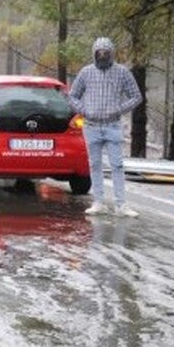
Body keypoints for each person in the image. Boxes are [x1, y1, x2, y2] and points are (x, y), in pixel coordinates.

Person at [68, 37, 143, 217]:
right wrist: (84, 111)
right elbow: (72, 96)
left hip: (113, 125)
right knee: (94, 165)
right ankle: (98, 202)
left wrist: (119, 109)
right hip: (91, 126)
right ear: (94, 53)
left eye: (105, 53)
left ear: (111, 53)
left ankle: (121, 205)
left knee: (117, 165)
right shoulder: (86, 72)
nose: (102, 56)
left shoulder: (122, 72)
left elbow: (136, 96)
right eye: (99, 53)